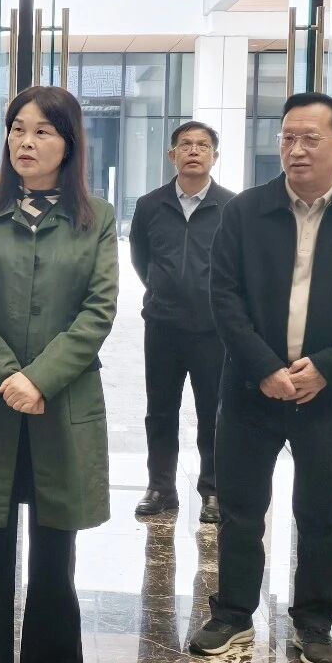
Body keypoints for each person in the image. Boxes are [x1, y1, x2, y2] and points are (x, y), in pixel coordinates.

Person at [190, 92, 332, 663]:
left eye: (310, 138)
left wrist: (327, 367)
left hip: (330, 394)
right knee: (240, 507)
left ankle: (315, 621)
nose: (296, 149)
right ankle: (233, 613)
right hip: (250, 389)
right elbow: (223, 295)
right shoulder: (246, 211)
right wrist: (263, 367)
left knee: (324, 512)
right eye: (287, 137)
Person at [0, 85, 118, 663]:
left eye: (43, 130)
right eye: (17, 128)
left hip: (58, 405)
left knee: (54, 558)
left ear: (69, 142)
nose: (26, 141)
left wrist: (38, 379)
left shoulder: (96, 217)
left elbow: (98, 311)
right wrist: (6, 376)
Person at [129, 121, 235, 523]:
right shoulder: (150, 205)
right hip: (163, 325)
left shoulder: (230, 206)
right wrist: (162, 289)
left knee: (213, 411)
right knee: (160, 410)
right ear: (172, 155)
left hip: (213, 329)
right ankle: (160, 487)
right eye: (185, 145)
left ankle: (214, 489)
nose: (194, 151)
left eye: (202, 145)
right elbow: (141, 258)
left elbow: (237, 266)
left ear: (214, 156)